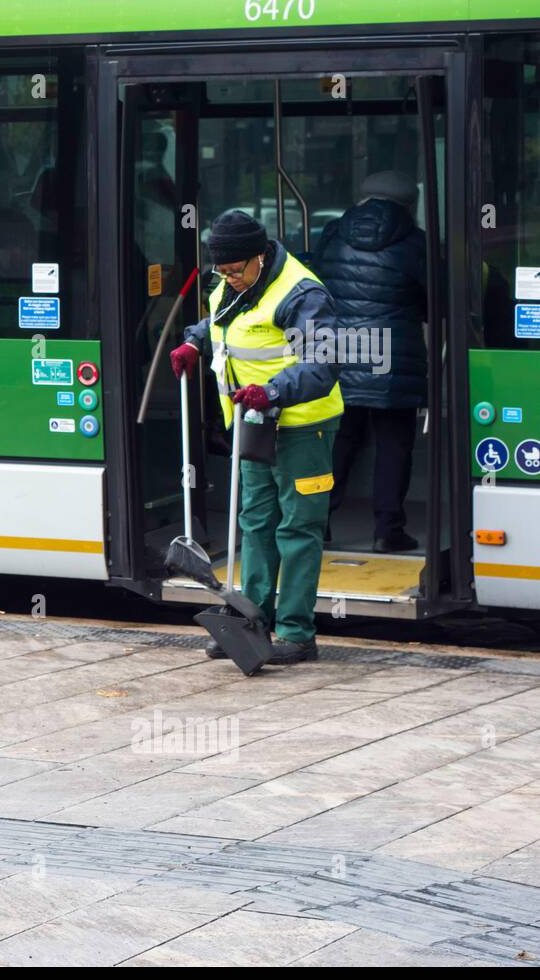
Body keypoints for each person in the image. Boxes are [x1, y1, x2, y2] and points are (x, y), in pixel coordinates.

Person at [170, 211, 344, 664]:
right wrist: (193, 341)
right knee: (255, 523)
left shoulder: (302, 293)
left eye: (233, 270)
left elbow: (322, 366)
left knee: (298, 528)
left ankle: (296, 634)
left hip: (304, 425)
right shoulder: (232, 285)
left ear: (260, 258)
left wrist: (270, 392)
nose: (226, 279)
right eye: (220, 272)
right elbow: (220, 326)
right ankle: (251, 620)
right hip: (252, 423)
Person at [311, 170, 427, 552]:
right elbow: (433, 301)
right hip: (394, 361)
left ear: (363, 198)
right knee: (394, 445)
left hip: (341, 353)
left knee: (341, 440)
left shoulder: (332, 235)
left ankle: (319, 522)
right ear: (410, 204)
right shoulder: (415, 242)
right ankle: (386, 531)